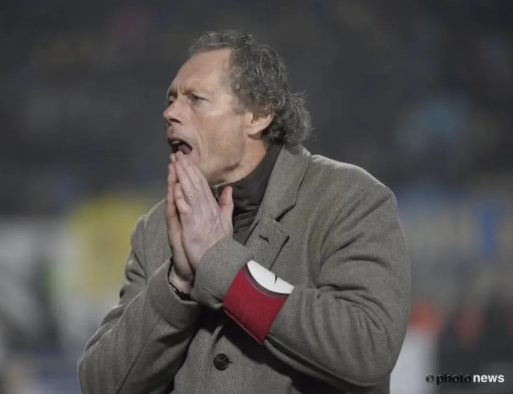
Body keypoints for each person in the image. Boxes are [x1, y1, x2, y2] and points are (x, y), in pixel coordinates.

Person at [78, 30, 411, 394]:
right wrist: (178, 283)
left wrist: (221, 264)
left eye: (195, 99)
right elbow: (101, 384)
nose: (170, 113)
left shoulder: (348, 198)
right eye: (171, 100)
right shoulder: (156, 228)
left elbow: (369, 348)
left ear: (258, 114)